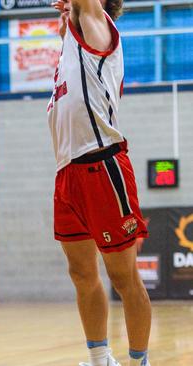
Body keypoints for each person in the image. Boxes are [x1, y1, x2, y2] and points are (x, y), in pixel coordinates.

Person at [49, 1, 151, 365]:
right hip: (67, 174)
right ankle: (100, 359)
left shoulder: (96, 24)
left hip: (101, 164)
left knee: (123, 277)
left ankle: (139, 361)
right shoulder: (69, 51)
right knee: (80, 273)